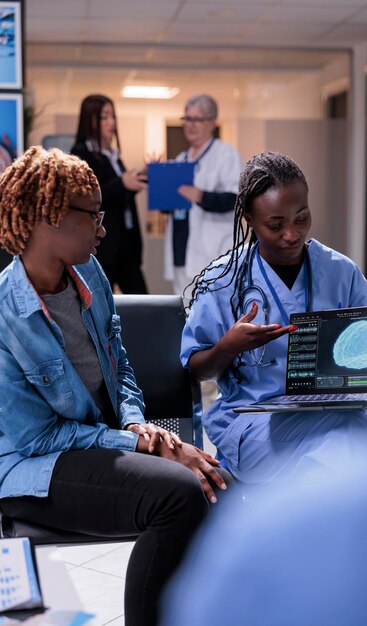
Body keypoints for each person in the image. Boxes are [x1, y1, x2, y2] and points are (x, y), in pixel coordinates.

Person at [0, 146, 228, 626]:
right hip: (33, 467)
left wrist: (136, 423)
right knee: (179, 495)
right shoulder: (5, 314)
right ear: (50, 216)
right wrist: (139, 441)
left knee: (218, 486)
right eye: (94, 215)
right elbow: (35, 438)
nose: (104, 228)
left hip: (103, 442)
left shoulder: (89, 272)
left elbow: (119, 361)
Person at [181, 151, 367, 484]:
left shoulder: (342, 272)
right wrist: (228, 346)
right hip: (256, 422)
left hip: (333, 412)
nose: (291, 233)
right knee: (345, 452)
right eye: (275, 224)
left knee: (348, 434)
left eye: (301, 217)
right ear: (250, 222)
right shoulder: (224, 279)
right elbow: (197, 369)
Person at [161, 435, 367, 626]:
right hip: (261, 423)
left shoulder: (259, 527)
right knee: (189, 491)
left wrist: (136, 426)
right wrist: (137, 438)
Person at [164, 94, 243, 296]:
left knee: (211, 314)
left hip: (212, 252)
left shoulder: (225, 155)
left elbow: (236, 199)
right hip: (181, 252)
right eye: (187, 119)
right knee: (183, 312)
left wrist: (200, 196)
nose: (190, 125)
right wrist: (158, 184)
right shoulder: (181, 159)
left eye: (197, 119)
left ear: (212, 122)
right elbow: (171, 206)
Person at [71, 94, 148, 294]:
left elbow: (120, 195)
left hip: (126, 246)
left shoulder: (114, 156)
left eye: (112, 116)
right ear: (90, 120)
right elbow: (87, 196)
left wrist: (139, 176)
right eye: (104, 117)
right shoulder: (81, 153)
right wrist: (122, 183)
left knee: (142, 303)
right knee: (101, 304)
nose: (111, 122)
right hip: (104, 247)